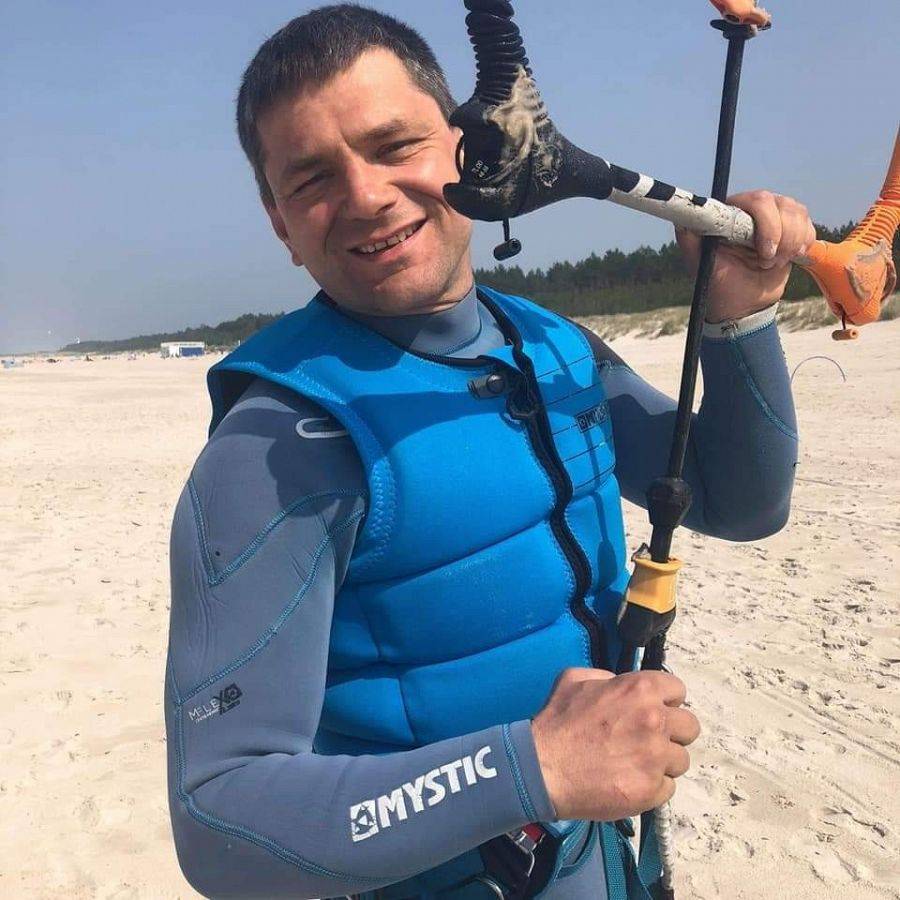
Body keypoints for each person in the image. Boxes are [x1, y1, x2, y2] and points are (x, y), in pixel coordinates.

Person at [164, 5, 812, 898]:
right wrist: (536, 766)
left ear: (466, 147)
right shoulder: (276, 450)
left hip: (600, 861)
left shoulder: (551, 345)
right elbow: (218, 820)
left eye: (395, 146)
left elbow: (740, 502)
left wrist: (740, 316)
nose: (366, 196)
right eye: (312, 178)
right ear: (281, 223)